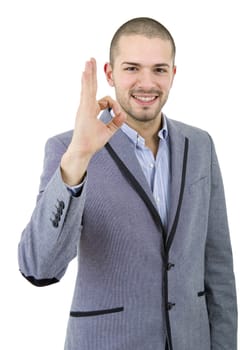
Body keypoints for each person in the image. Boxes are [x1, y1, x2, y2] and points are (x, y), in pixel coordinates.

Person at [18, 17, 237, 350]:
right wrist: (78, 159)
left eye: (159, 70)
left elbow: (217, 266)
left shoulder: (200, 144)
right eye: (132, 68)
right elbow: (39, 268)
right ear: (110, 74)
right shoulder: (68, 149)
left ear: (173, 75)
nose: (146, 83)